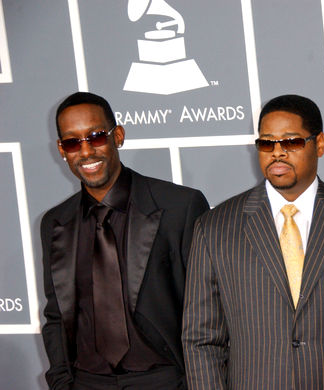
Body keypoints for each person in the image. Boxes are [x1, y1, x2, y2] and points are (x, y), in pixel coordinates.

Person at [182, 94, 324, 389]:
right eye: (267, 144)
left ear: (319, 144)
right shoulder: (215, 229)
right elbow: (201, 340)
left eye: (291, 142)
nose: (277, 153)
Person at [41, 92, 210, 389]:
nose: (86, 152)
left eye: (95, 137)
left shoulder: (179, 207)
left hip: (163, 381)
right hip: (87, 382)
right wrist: (61, 381)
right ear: (62, 150)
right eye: (72, 142)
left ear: (117, 135)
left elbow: (206, 309)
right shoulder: (56, 222)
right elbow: (56, 315)